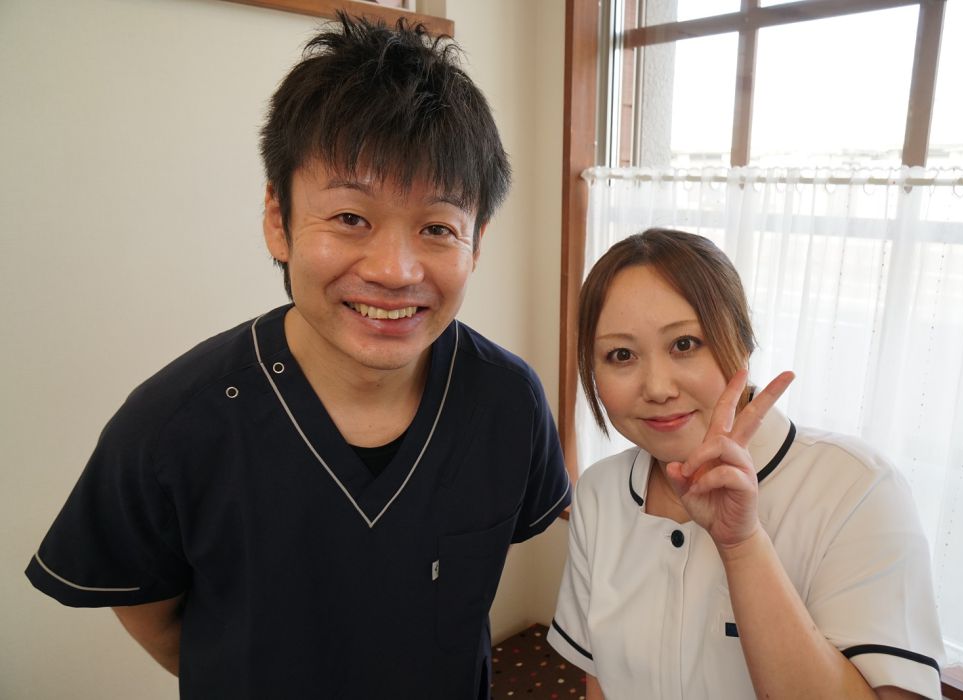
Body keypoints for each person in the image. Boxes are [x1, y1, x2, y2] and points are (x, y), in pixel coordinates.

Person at [26, 14, 569, 699]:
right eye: (350, 218)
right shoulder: (171, 426)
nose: (395, 270)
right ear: (277, 220)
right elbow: (155, 620)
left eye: (437, 227)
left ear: (477, 243)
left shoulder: (507, 400)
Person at [548, 229, 944, 699]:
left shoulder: (857, 488)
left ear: (742, 341)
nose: (657, 387)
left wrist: (742, 545)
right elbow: (600, 682)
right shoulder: (599, 492)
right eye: (621, 355)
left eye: (684, 344)